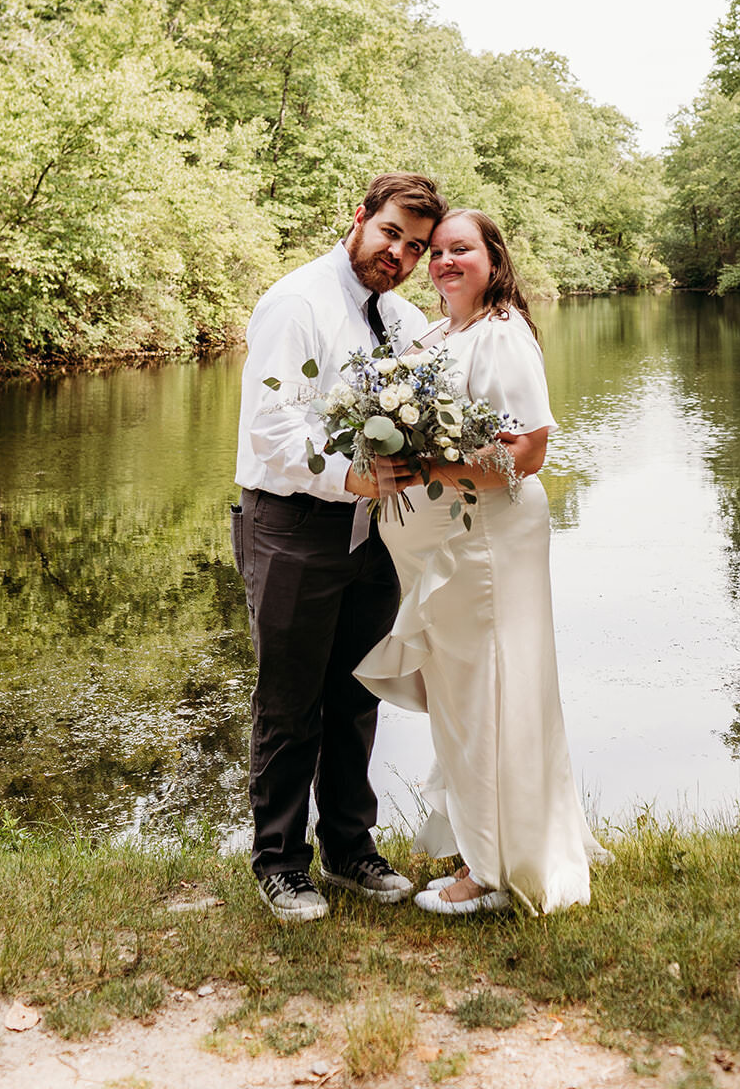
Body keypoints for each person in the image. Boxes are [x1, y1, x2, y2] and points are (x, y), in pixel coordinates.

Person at [355, 209, 611, 915]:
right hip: (449, 549)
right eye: (434, 251)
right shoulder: (439, 334)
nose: (441, 262)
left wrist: (429, 467)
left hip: (485, 545)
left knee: (489, 695)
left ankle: (493, 868)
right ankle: (488, 842)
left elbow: (526, 454)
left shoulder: (499, 336)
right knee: (467, 699)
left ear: (493, 259)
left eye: (458, 249)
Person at [232, 173, 447, 922]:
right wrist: (353, 475)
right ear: (358, 219)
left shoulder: (401, 316)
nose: (400, 254)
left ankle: (349, 850)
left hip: (374, 532)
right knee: (291, 703)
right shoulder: (297, 303)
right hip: (292, 525)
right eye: (391, 234)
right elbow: (274, 428)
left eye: (415, 247)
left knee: (358, 696)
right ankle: (281, 863)